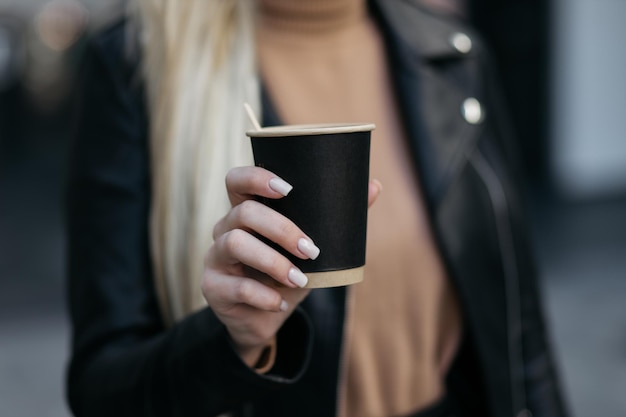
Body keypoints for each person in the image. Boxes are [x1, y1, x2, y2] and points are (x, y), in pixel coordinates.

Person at [66, 1, 567, 416]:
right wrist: (234, 343)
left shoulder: (453, 54)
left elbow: (520, 336)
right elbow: (102, 389)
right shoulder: (138, 63)